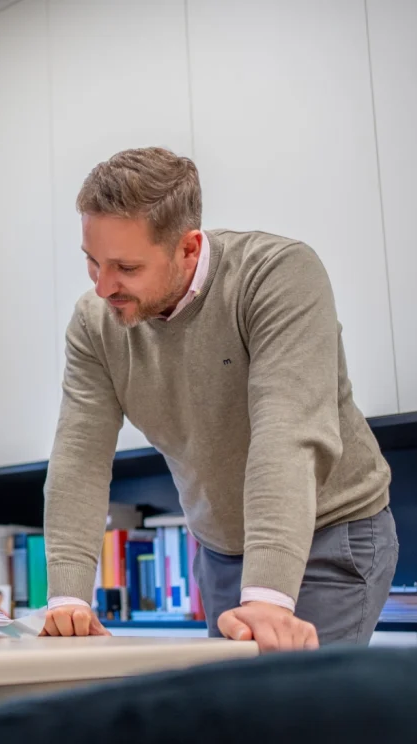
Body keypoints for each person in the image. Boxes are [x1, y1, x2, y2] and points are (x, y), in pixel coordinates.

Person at [41, 147, 398, 651]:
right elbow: (79, 458)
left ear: (188, 248)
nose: (102, 287)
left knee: (296, 698)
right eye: (92, 262)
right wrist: (68, 599)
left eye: (126, 267)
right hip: (219, 551)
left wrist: (268, 595)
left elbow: (286, 435)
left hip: (328, 532)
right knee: (236, 702)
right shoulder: (95, 323)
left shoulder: (277, 275)